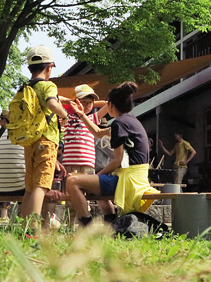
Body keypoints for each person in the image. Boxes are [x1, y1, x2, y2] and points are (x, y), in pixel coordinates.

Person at [66, 81, 160, 227]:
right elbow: (97, 133)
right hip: (137, 178)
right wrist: (81, 115)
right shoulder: (131, 121)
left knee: (72, 182)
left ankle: (87, 225)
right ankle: (111, 221)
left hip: (128, 180)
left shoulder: (118, 124)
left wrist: (97, 176)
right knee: (95, 185)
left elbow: (117, 160)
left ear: (110, 104)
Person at [17, 46, 69, 222]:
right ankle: (33, 228)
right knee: (42, 185)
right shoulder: (49, 85)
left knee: (30, 188)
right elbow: (53, 104)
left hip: (29, 141)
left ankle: (24, 227)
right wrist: (65, 115)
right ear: (49, 67)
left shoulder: (24, 88)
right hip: (46, 140)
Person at [60, 84, 110, 175]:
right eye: (84, 102)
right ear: (76, 102)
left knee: (87, 188)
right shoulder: (66, 117)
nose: (87, 105)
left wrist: (92, 103)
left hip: (87, 162)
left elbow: (108, 104)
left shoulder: (92, 119)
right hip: (69, 163)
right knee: (70, 188)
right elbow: (56, 99)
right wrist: (70, 102)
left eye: (90, 102)